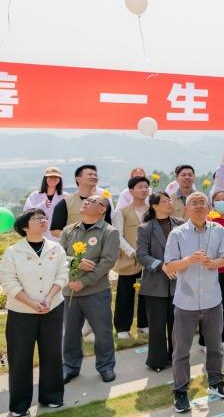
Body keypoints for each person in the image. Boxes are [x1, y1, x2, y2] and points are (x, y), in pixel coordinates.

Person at [164, 192, 224, 413]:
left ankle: (215, 382)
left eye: (202, 202)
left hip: (212, 299)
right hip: (186, 302)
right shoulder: (177, 234)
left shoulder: (218, 230)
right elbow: (169, 265)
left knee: (215, 346)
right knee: (181, 351)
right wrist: (189, 260)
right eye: (193, 203)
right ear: (185, 209)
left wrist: (212, 263)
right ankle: (180, 391)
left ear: (208, 207)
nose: (198, 206)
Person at [0, 209, 67, 416]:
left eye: (44, 217)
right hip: (21, 313)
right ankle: (19, 406)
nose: (43, 220)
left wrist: (49, 298)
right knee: (20, 358)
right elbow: (9, 282)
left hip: (52, 308)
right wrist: (31, 303)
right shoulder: (13, 252)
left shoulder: (56, 248)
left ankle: (52, 396)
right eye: (37, 218)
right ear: (24, 226)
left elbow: (62, 275)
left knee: (52, 354)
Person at [58, 193, 120, 384]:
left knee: (103, 332)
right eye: (86, 200)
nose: (86, 202)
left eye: (93, 201)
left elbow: (107, 262)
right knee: (70, 333)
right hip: (70, 291)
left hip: (95, 292)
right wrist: (75, 262)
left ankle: (106, 366)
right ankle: (70, 366)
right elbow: (57, 256)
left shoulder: (109, 232)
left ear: (102, 209)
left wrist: (83, 282)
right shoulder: (69, 230)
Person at [136, 192, 183, 372]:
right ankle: (157, 361)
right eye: (165, 201)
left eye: (169, 200)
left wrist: (179, 265)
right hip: (155, 285)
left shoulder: (180, 224)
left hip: (178, 283)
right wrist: (162, 266)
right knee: (157, 326)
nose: (169, 203)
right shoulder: (145, 228)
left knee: (177, 325)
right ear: (154, 205)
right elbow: (142, 255)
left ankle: (177, 356)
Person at [197, 190, 224, 353]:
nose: (221, 202)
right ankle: (205, 340)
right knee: (208, 305)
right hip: (211, 269)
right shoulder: (207, 221)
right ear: (212, 203)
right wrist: (223, 236)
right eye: (218, 200)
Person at [112, 175, 150, 338]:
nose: (144, 190)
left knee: (147, 293)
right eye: (140, 187)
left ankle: (144, 324)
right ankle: (122, 328)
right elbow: (118, 236)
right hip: (129, 260)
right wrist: (133, 252)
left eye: (146, 187)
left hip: (149, 260)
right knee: (125, 294)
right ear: (131, 191)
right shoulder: (122, 212)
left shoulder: (152, 210)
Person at [51, 164, 109, 237]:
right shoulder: (65, 203)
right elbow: (55, 231)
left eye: (95, 175)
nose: (94, 177)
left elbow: (109, 226)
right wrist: (77, 238)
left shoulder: (103, 202)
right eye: (90, 174)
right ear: (78, 179)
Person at [23, 166, 65, 239]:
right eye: (50, 176)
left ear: (59, 179)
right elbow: (26, 213)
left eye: (56, 177)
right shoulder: (35, 195)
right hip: (37, 234)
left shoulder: (65, 196)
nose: (53, 179)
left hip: (58, 236)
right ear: (45, 178)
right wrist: (41, 206)